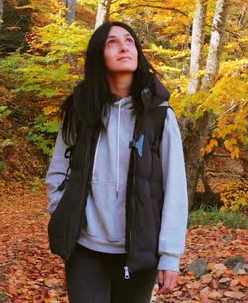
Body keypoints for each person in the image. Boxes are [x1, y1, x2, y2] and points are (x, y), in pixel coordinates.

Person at [46, 21, 188, 303]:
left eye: (129, 41)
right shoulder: (80, 110)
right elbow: (58, 169)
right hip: (85, 247)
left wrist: (170, 255)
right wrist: (62, 207)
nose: (124, 46)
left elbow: (175, 187)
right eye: (112, 42)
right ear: (99, 55)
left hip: (138, 249)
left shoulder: (159, 116)